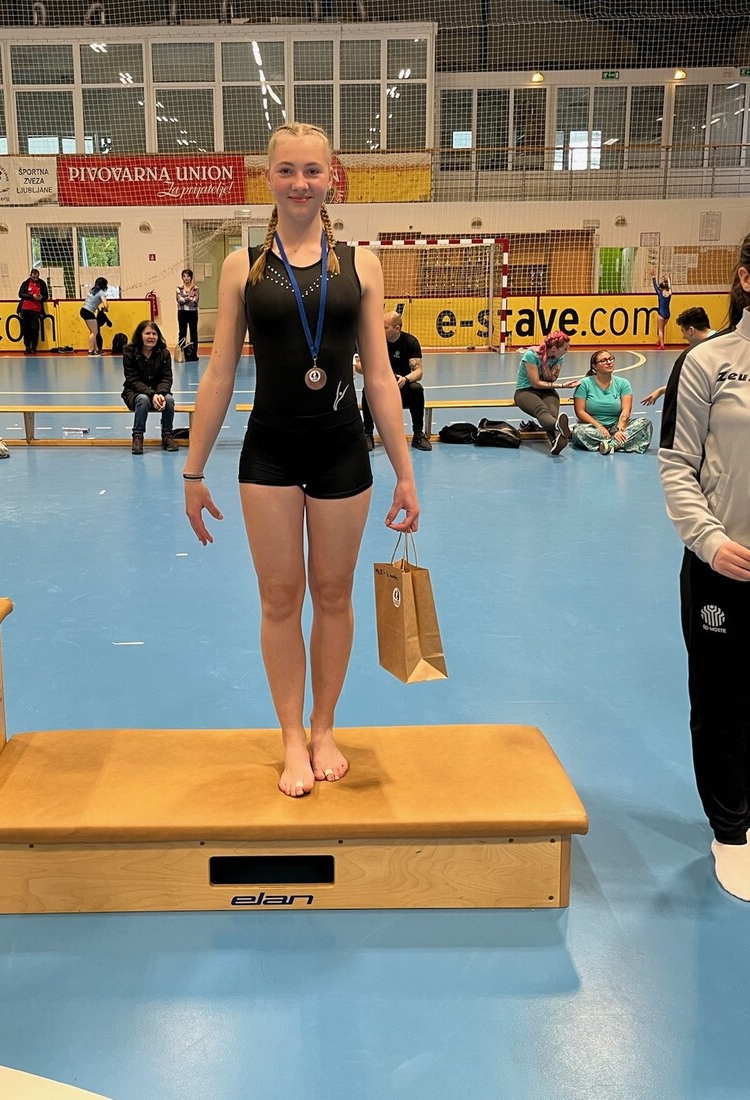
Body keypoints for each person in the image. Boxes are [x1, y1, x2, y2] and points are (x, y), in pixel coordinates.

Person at [182, 122, 420, 799]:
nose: (299, 182)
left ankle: (323, 727)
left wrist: (405, 472)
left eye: (312, 170)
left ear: (331, 177)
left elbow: (379, 376)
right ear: (269, 178)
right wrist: (193, 471)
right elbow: (219, 373)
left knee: (334, 594)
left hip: (342, 448)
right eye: (286, 170)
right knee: (280, 597)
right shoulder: (243, 268)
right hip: (270, 450)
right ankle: (290, 734)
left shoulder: (360, 265)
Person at [658, 223, 750, 903]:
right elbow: (676, 463)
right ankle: (727, 830)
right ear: (746, 278)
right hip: (724, 564)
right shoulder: (708, 361)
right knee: (726, 700)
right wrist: (708, 540)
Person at [356, 311, 432, 452]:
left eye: (385, 327)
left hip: (401, 388)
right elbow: (359, 366)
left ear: (397, 328)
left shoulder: (410, 342)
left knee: (416, 389)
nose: (380, 330)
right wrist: (371, 368)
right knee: (368, 389)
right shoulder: (375, 342)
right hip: (381, 388)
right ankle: (367, 434)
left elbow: (419, 372)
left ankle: (418, 434)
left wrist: (405, 379)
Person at [571, 351, 652, 454]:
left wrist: (619, 430)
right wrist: (600, 427)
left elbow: (626, 411)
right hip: (593, 427)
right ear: (594, 366)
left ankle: (611, 445)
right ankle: (619, 443)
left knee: (645, 423)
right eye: (604, 360)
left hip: (616, 425)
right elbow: (580, 412)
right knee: (579, 432)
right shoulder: (584, 383)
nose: (609, 362)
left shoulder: (623, 383)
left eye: (611, 359)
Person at [512, 331, 580, 455]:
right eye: (565, 348)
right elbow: (536, 383)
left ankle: (555, 441)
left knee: (552, 412)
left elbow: (551, 378)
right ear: (554, 349)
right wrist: (562, 386)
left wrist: (548, 362)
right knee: (541, 410)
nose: (567, 351)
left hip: (547, 390)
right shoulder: (531, 356)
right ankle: (558, 427)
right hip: (525, 391)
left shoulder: (559, 357)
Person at [122, 320, 177, 455]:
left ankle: (167, 435)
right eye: (147, 333)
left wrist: (160, 393)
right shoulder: (129, 352)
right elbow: (132, 380)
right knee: (143, 399)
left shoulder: (164, 353)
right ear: (140, 335)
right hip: (134, 392)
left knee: (169, 400)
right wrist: (152, 394)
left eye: (154, 334)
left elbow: (167, 377)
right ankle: (138, 436)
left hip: (158, 392)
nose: (151, 337)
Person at [642, 306, 716, 405]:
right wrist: (662, 390)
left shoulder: (705, 350)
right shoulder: (721, 342)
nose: (683, 337)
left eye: (683, 332)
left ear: (691, 330)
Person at [17, 267, 49, 355]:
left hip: (36, 310)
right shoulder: (25, 283)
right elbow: (20, 294)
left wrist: (41, 297)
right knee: (26, 329)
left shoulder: (42, 284)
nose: (35, 279)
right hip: (25, 309)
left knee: (35, 329)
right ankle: (27, 347)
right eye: (34, 277)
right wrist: (31, 296)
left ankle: (34, 347)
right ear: (30, 276)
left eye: (37, 277)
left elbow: (46, 295)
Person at [176, 269, 200, 360]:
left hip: (193, 312)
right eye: (184, 276)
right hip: (182, 312)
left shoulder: (195, 288)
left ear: (191, 277)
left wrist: (185, 298)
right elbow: (179, 300)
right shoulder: (179, 288)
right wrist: (189, 298)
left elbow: (195, 301)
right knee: (182, 332)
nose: (186, 278)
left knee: (193, 333)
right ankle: (181, 354)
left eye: (188, 276)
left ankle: (193, 354)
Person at [80, 277, 109, 355]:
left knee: (94, 331)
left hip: (83, 310)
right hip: (88, 312)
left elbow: (92, 302)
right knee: (94, 332)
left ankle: (96, 349)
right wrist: (105, 309)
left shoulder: (92, 291)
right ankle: (90, 350)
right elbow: (106, 305)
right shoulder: (101, 293)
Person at [651, 268, 673, 349]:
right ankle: (659, 341)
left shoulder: (660, 293)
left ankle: (662, 345)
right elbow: (670, 286)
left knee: (660, 329)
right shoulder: (669, 293)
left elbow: (655, 286)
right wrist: (669, 278)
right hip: (667, 314)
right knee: (662, 328)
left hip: (661, 313)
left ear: (661, 288)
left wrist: (653, 277)